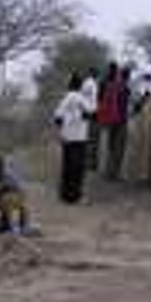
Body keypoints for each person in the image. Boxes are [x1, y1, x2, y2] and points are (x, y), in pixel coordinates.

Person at [53, 73, 92, 204]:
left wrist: (64, 128)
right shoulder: (81, 99)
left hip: (67, 138)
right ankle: (76, 196)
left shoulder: (66, 98)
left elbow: (57, 118)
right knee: (77, 168)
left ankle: (65, 195)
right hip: (79, 138)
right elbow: (90, 114)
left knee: (67, 166)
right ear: (80, 85)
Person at [96, 63, 131, 182]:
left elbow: (100, 99)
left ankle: (107, 172)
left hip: (110, 119)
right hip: (121, 120)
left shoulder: (107, 84)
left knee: (110, 146)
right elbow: (127, 106)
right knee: (119, 148)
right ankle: (114, 173)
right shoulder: (124, 88)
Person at [124, 73, 151, 189]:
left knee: (148, 151)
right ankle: (136, 177)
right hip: (139, 123)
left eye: (149, 79)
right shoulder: (138, 90)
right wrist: (144, 98)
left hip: (149, 124)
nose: (148, 81)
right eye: (147, 78)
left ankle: (148, 177)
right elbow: (135, 107)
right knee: (138, 149)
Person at [81, 67, 100, 172]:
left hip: (91, 113)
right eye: (96, 73)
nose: (96, 74)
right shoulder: (89, 83)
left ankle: (90, 163)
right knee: (91, 139)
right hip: (90, 114)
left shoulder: (89, 83)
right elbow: (86, 99)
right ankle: (89, 163)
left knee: (91, 138)